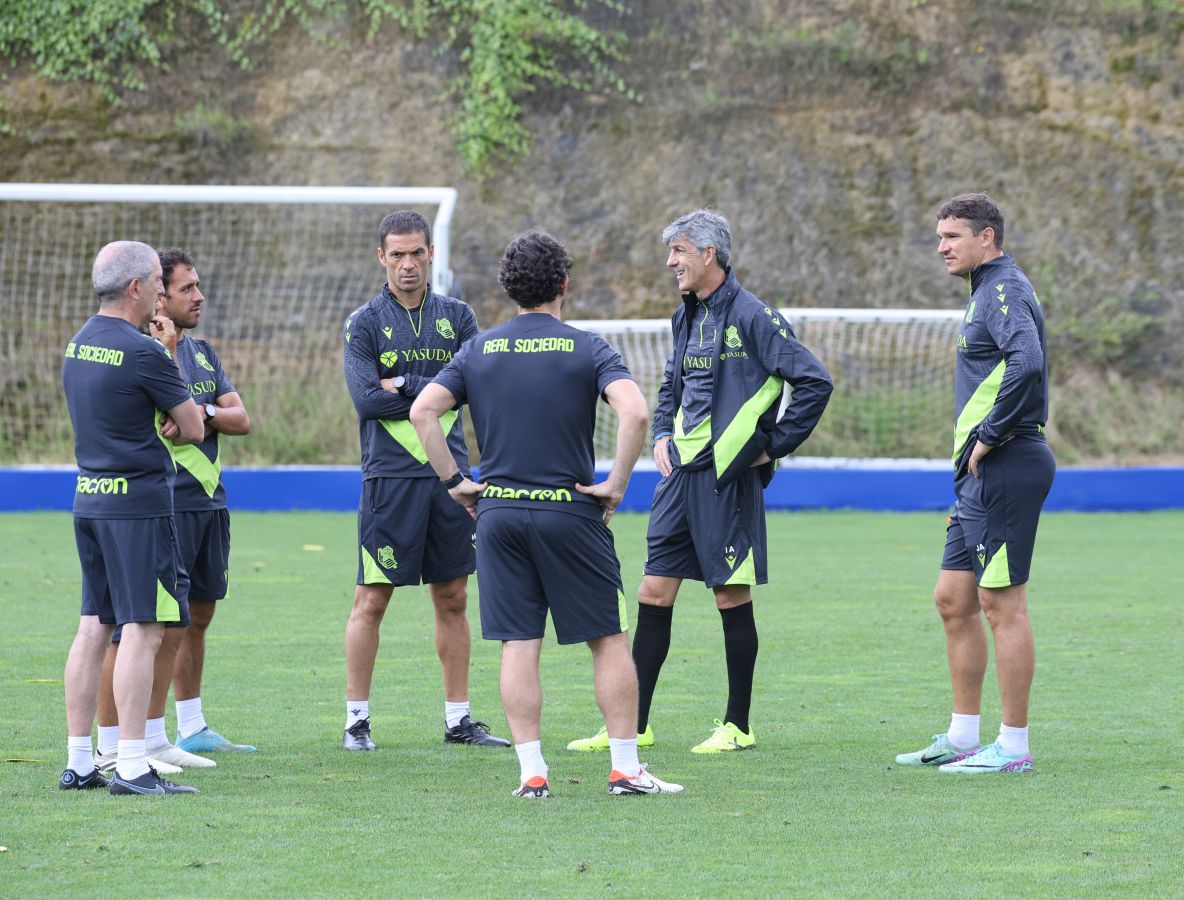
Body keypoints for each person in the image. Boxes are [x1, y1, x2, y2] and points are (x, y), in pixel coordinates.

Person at [410, 228, 682, 797]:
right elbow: (634, 413)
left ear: (510, 288)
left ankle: (532, 772)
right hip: (570, 512)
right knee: (607, 638)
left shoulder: (478, 349)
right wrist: (615, 484)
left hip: (500, 515)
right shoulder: (588, 347)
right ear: (564, 284)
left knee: (519, 642)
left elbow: (422, 411)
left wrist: (458, 483)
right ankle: (626, 770)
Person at [567, 208, 833, 754]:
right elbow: (671, 383)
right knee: (652, 591)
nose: (671, 262)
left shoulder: (756, 316)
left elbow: (814, 381)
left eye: (679, 252)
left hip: (726, 480)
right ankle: (635, 722)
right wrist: (662, 432)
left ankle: (738, 725)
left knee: (729, 596)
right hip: (678, 478)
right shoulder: (685, 314)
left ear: (709, 254)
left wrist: (769, 448)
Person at [895, 192, 1054, 774]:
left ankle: (1012, 747)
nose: (941, 247)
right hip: (978, 474)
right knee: (953, 599)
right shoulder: (983, 292)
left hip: (1008, 461)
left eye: (952, 236)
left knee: (1000, 602)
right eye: (939, 237)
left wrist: (988, 435)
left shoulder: (1004, 288)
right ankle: (964, 735)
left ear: (987, 237)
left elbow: (1027, 362)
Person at [341, 210, 508, 750]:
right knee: (373, 598)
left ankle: (458, 719)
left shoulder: (458, 317)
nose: (408, 264)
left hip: (450, 479)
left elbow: (478, 388)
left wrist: (407, 382)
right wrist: (438, 389)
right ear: (381, 257)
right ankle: (356, 721)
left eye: (417, 253)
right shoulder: (363, 322)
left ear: (431, 253)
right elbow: (367, 400)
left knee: (454, 597)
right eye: (397, 254)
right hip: (390, 480)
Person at [93, 249, 255, 771]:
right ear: (157, 294)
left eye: (198, 286)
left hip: (209, 502)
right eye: (186, 288)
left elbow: (240, 418)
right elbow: (168, 423)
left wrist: (207, 411)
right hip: (159, 505)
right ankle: (119, 742)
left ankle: (185, 728)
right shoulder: (137, 350)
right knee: (136, 628)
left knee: (193, 617)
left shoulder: (203, 352)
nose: (199, 296)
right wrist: (198, 415)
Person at [60, 240, 205, 795]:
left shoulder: (78, 344)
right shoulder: (144, 351)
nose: (166, 297)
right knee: (142, 629)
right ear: (138, 288)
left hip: (89, 498)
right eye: (160, 286)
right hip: (138, 507)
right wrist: (170, 363)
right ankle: (131, 764)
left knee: (93, 627)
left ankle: (79, 762)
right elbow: (191, 427)